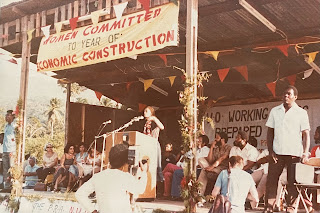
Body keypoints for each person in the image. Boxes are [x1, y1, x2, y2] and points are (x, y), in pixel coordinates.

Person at [265, 85, 310, 212]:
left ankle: (291, 207)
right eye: (284, 94)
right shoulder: (275, 111)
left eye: (289, 94)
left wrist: (305, 153)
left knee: (292, 181)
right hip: (277, 153)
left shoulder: (301, 113)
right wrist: (271, 151)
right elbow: (270, 132)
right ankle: (269, 206)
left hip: (294, 153)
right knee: (272, 180)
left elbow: (306, 134)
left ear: (295, 97)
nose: (286, 96)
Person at [75, 144, 148, 213]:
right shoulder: (125, 177)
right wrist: (144, 172)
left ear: (109, 159)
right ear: (125, 162)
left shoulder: (98, 176)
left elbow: (79, 194)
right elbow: (140, 189)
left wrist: (93, 211)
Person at [198, 132, 231, 197]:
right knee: (202, 166)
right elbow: (210, 160)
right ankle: (199, 196)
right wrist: (211, 148)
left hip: (223, 168)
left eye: (217, 137)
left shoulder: (228, 147)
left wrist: (212, 167)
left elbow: (222, 158)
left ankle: (208, 169)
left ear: (222, 139)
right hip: (213, 168)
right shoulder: (216, 149)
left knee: (205, 170)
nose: (215, 139)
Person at [143, 106, 165, 181]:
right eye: (144, 111)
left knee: (156, 165)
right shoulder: (146, 123)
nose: (144, 112)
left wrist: (154, 118)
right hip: (147, 145)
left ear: (151, 113)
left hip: (154, 144)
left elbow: (162, 127)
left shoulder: (154, 121)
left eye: (146, 111)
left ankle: (159, 185)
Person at [3, 110, 16, 189]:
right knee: (5, 169)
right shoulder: (6, 126)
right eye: (6, 115)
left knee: (12, 168)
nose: (6, 117)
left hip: (11, 150)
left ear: (12, 116)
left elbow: (15, 139)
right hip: (5, 150)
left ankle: (13, 185)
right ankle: (7, 186)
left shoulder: (14, 125)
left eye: (8, 115)